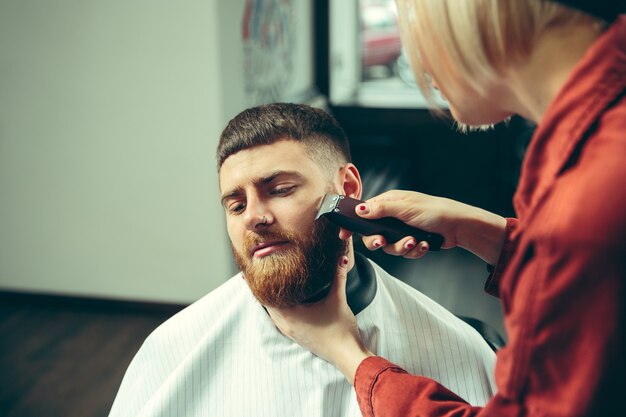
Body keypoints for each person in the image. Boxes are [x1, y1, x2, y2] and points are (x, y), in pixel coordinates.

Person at [267, 1, 626, 417]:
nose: (410, 46)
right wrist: (480, 229)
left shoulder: (594, 192)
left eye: (415, 14)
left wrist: (349, 355)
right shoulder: (593, 152)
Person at [107, 103, 497, 417]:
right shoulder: (171, 353)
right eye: (236, 204)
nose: (254, 217)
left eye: (279, 189)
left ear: (346, 189)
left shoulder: (462, 349)